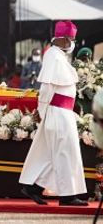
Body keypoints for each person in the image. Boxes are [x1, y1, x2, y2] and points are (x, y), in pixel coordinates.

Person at [19, 21, 88, 207]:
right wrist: (42, 112)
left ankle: (33, 187)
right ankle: (67, 196)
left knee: (55, 154)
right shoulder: (53, 56)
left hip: (63, 112)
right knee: (64, 153)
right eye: (72, 39)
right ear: (65, 39)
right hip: (57, 112)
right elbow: (47, 88)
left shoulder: (58, 56)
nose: (73, 42)